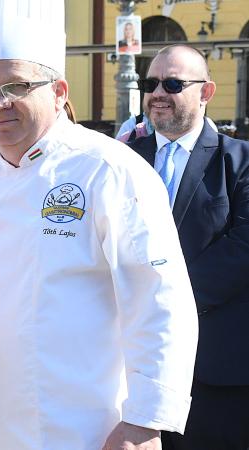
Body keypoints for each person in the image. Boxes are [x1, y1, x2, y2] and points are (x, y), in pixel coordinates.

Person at [0, 1, 198, 449]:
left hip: (91, 430)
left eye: (16, 85)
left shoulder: (109, 168)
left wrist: (145, 422)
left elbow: (159, 296)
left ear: (58, 91)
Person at [127, 44, 249, 450]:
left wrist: (164, 296)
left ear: (206, 92)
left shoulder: (240, 161)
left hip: (213, 371)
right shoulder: (121, 160)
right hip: (130, 365)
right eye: (151, 82)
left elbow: (244, 247)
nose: (158, 92)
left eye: (174, 83)